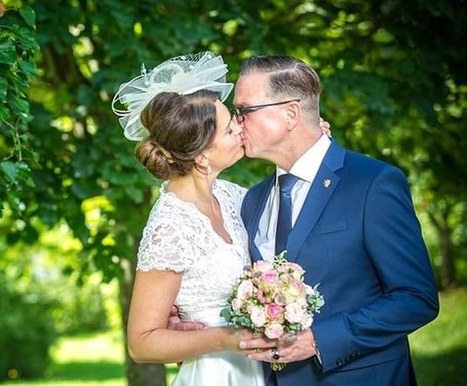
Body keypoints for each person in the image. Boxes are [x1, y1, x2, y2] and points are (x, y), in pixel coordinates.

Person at [233, 55, 439, 385]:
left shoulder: (372, 183)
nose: (235, 122)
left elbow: (417, 298)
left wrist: (318, 340)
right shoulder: (252, 200)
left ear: (290, 114)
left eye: (245, 110)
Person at [112, 52, 272, 386]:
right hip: (214, 374)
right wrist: (224, 338)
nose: (241, 129)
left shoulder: (232, 196)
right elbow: (141, 343)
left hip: (255, 370)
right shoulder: (170, 226)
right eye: (230, 130)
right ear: (201, 158)